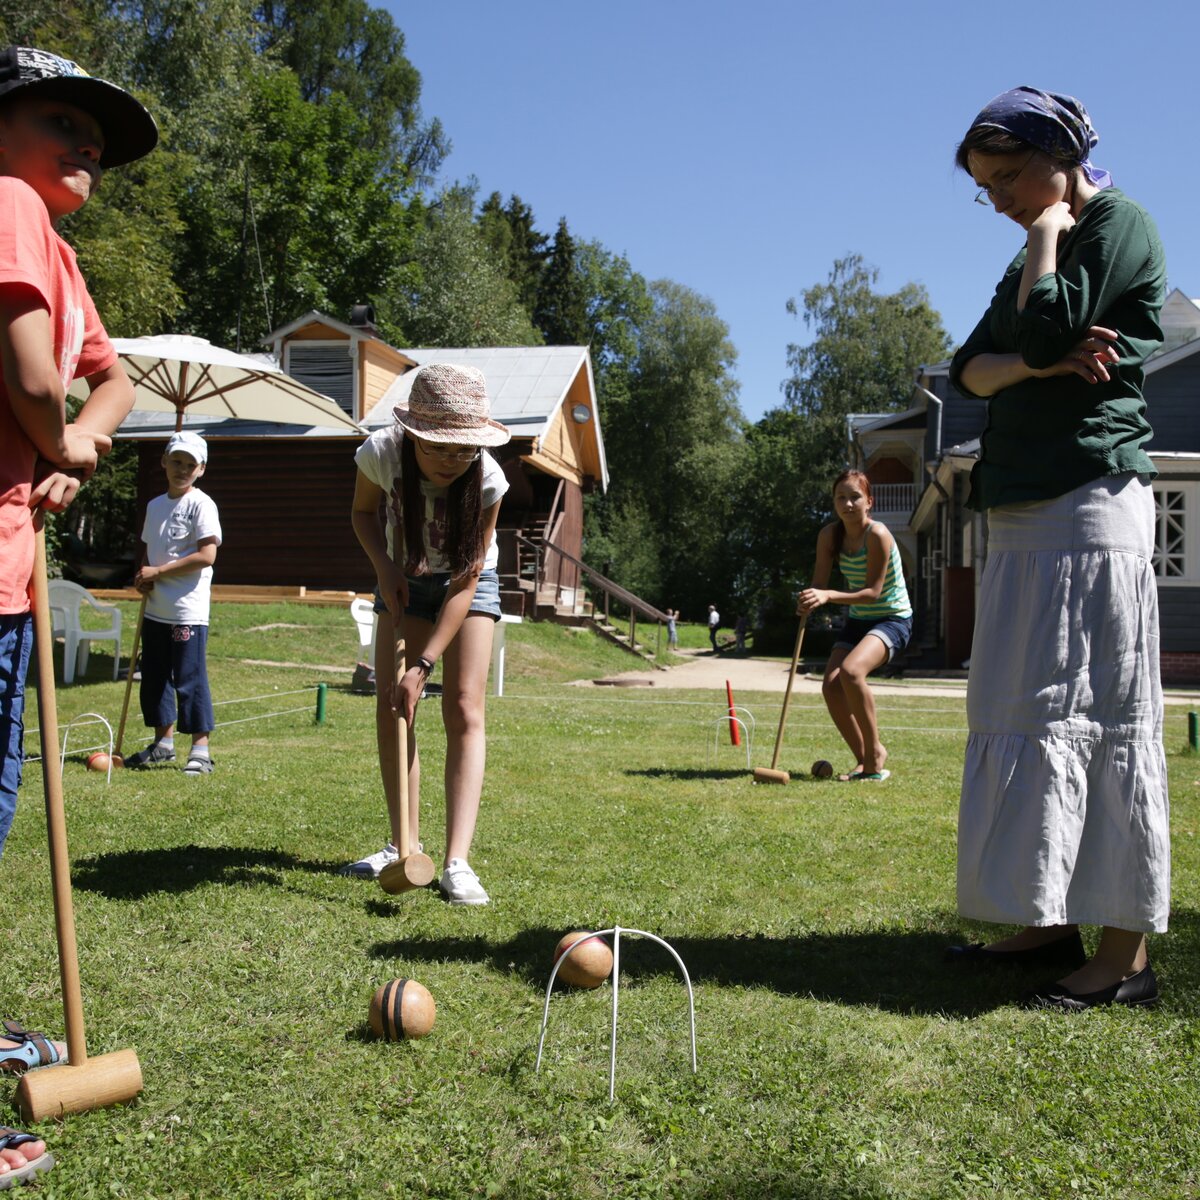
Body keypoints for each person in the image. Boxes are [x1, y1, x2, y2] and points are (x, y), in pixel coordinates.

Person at [942, 87, 1169, 1011]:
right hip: (1027, 510)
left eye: (1007, 178)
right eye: (985, 186)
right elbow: (972, 367)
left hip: (1090, 504)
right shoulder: (1037, 238)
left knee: (1103, 715)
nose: (997, 199)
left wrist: (1045, 247)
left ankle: (1125, 960)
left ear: (1062, 155)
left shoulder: (1118, 226)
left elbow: (1028, 332)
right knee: (1030, 711)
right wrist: (1038, 361)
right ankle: (1048, 921)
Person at [0, 42, 156, 1186]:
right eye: (61, 115)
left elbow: (115, 379)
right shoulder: (3, 202)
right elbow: (40, 384)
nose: (87, 140)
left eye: (96, 130)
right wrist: (66, 441)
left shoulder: (50, 244)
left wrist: (78, 446)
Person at [344, 363, 510, 906]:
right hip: (402, 576)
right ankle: (403, 846)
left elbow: (468, 578)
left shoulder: (486, 479)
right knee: (397, 707)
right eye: (439, 448)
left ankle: (457, 862)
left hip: (466, 584)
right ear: (414, 434)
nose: (451, 461)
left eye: (462, 450)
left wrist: (425, 663)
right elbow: (363, 514)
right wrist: (386, 571)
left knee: (463, 707)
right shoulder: (381, 454)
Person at [798, 470, 912, 782]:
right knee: (831, 686)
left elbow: (873, 592)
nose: (848, 503)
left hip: (892, 618)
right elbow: (818, 584)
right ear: (834, 502)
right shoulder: (829, 536)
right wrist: (809, 599)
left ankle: (876, 754)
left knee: (851, 672)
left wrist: (828, 595)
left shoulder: (877, 534)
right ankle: (864, 760)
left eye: (855, 496)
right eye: (841, 497)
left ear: (869, 501)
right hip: (860, 620)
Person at [125, 432, 221, 776]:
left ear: (201, 469)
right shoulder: (154, 506)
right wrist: (145, 578)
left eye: (190, 464)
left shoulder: (201, 504)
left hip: (187, 611)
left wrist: (161, 571)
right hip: (156, 608)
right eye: (176, 461)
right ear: (164, 461)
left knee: (189, 678)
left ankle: (201, 749)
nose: (182, 469)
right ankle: (163, 744)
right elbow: (152, 552)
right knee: (153, 677)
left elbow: (207, 555)